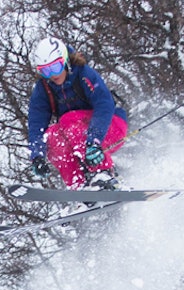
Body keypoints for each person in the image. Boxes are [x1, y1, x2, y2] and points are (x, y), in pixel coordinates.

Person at [26, 37, 128, 189]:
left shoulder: (84, 74)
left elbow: (104, 104)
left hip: (110, 128)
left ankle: (103, 173)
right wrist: (37, 156)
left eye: (56, 67)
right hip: (78, 137)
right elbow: (36, 125)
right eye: (46, 71)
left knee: (68, 119)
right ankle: (79, 186)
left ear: (65, 60)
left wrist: (94, 140)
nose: (53, 75)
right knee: (52, 137)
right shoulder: (44, 89)